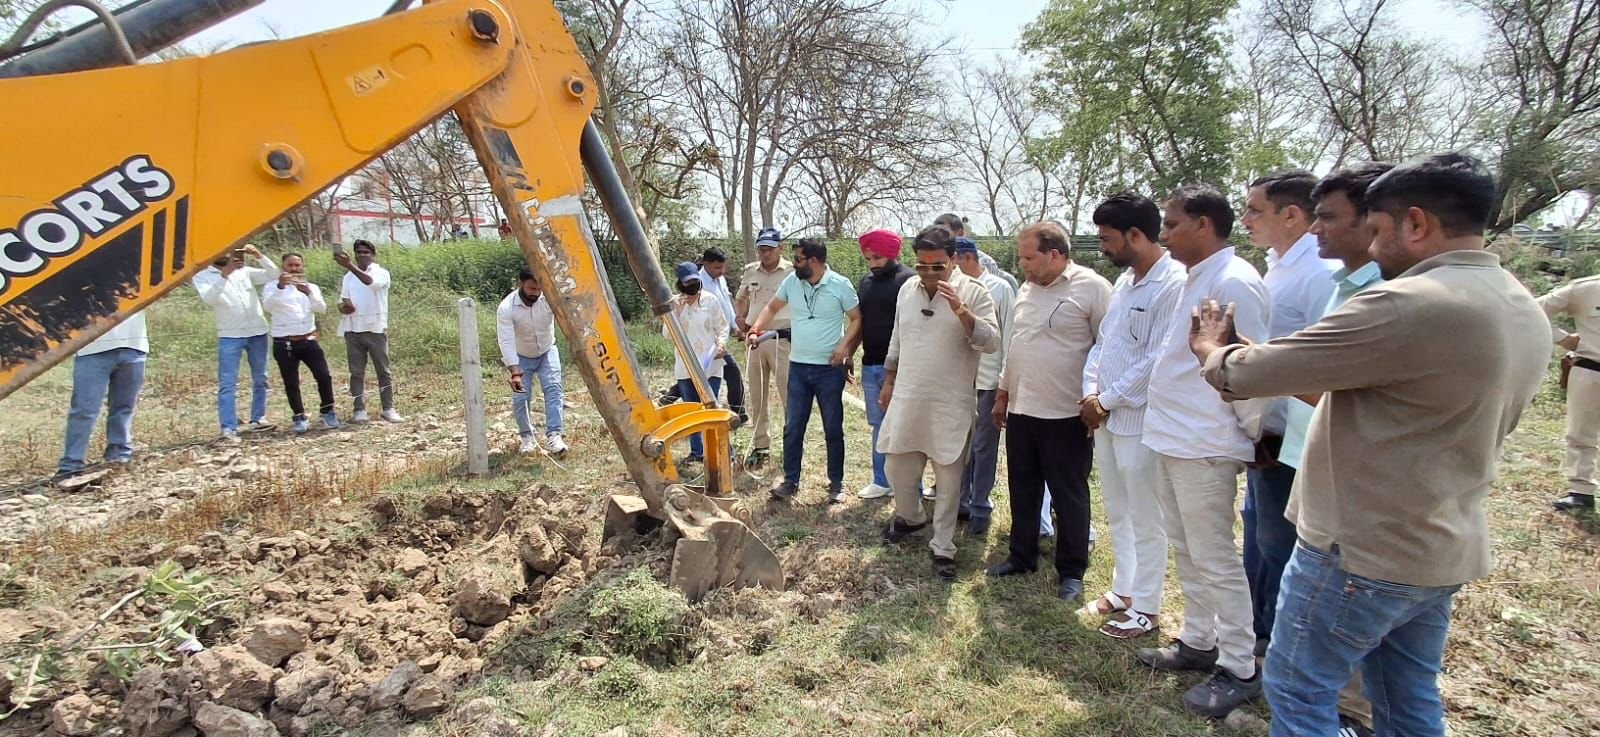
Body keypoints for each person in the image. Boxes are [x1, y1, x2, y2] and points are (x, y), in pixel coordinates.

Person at [1190, 152, 1549, 737]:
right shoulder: (1517, 302)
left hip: (1361, 546)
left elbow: (1247, 376)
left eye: (1377, 230)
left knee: (1299, 688)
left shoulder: (1408, 302)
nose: (1373, 247)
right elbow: (1353, 391)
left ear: (1415, 223)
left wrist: (1213, 350)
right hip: (1438, 543)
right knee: (1404, 698)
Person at [1135, 183, 1270, 718]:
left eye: (1171, 224)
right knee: (1187, 547)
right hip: (1174, 434)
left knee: (1214, 555)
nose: (1164, 234)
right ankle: (1198, 640)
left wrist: (1252, 434)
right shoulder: (1197, 277)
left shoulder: (1237, 280)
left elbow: (1255, 368)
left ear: (1204, 226)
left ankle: (1239, 665)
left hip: (1207, 440)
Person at [1275, 162, 1394, 737]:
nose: (1316, 230)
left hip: (1355, 500)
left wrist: (1234, 358)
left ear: (1378, 220)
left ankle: (1348, 715)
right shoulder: (1343, 285)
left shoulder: (1386, 298)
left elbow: (1324, 383)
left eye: (1329, 217)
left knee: (1315, 657)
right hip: (1305, 453)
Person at [1077, 193, 1186, 640]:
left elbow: (1158, 358)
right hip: (1105, 414)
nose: (1102, 247)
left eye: (1107, 238)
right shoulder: (1124, 282)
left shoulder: (1173, 283)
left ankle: (1148, 607)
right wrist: (1090, 393)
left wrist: (1108, 400)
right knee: (1117, 509)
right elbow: (1104, 345)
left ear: (1136, 235)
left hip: (1139, 418)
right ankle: (1124, 590)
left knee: (1145, 515)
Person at [1238, 168, 1336, 660]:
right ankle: (1254, 629)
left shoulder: (1319, 276)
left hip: (1297, 440)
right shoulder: (1276, 269)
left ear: (1292, 215)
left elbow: (1328, 371)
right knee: (1258, 534)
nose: (1246, 219)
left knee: (1281, 544)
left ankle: (1278, 643)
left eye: (1256, 210)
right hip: (1268, 431)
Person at [986, 221, 1112, 604]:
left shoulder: (1092, 288)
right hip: (1023, 409)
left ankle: (1071, 570)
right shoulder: (1026, 289)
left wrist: (1096, 400)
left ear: (1054, 254)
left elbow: (1108, 349)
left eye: (1028, 257)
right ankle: (1022, 556)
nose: (1021, 264)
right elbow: (1016, 346)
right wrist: (1003, 393)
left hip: (1066, 414)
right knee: (1022, 489)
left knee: (1068, 493)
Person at [878, 226, 1000, 580]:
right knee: (897, 468)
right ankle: (912, 517)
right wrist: (888, 379)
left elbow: (990, 342)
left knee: (948, 481)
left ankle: (943, 546)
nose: (930, 273)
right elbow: (898, 338)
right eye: (922, 266)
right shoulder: (906, 290)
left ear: (953, 260)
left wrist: (961, 311)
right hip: (908, 396)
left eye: (938, 266)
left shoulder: (975, 292)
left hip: (951, 402)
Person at [746, 237, 862, 503]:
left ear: (814, 261)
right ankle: (790, 481)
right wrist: (756, 329)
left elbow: (857, 319)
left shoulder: (840, 285)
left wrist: (845, 348)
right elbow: (771, 307)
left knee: (833, 428)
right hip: (798, 367)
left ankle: (836, 484)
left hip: (829, 370)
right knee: (793, 426)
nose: (794, 264)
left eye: (798, 259)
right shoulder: (792, 282)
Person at [954, 236, 1015, 535]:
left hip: (988, 380)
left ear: (965, 258)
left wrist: (1004, 383)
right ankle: (959, 501)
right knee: (960, 445)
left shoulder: (1000, 289)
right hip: (959, 380)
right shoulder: (954, 289)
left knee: (983, 447)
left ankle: (980, 506)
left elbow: (1009, 336)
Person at [852, 228, 916, 500]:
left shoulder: (910, 281)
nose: (873, 264)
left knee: (905, 425)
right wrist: (848, 353)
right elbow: (859, 322)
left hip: (903, 367)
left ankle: (911, 485)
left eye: (877, 258)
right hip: (871, 365)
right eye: (868, 259)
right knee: (878, 424)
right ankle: (881, 480)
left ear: (892, 253)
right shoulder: (865, 282)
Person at [193, 243, 278, 440]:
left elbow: (273, 274)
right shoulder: (202, 275)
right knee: (228, 383)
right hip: (230, 335)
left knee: (261, 377)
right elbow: (210, 300)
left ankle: (258, 419)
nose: (224, 253)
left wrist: (259, 255)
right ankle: (228, 427)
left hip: (257, 331)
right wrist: (225, 274)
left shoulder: (244, 271)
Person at [56, 312, 149, 479]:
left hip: (134, 346)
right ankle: (71, 465)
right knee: (84, 410)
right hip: (91, 349)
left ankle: (119, 456)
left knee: (124, 407)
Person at [1539, 270, 1600, 512]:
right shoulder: (1585, 289)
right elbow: (1532, 308)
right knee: (1581, 434)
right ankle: (1581, 492)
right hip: (1590, 369)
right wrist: (1563, 338)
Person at [733, 227, 794, 467]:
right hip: (755, 339)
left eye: (770, 249)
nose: (765, 254)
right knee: (757, 396)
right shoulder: (751, 271)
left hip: (782, 339)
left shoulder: (792, 272)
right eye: (761, 249)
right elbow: (741, 298)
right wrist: (740, 319)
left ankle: (792, 446)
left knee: (789, 394)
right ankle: (760, 445)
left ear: (781, 248)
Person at [261, 253, 339, 434]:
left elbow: (321, 309)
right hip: (285, 342)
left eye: (297, 265)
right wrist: (280, 286)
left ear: (303, 266)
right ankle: (299, 416)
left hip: (308, 340)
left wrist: (309, 293)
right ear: (283, 267)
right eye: (290, 265)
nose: (294, 269)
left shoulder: (310, 287)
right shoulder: (272, 287)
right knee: (291, 382)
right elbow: (268, 307)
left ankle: (327, 411)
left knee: (324, 376)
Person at [495, 267, 568, 457]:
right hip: (521, 357)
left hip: (547, 350)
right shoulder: (506, 308)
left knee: (553, 389)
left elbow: (566, 318)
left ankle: (554, 435)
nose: (535, 294)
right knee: (521, 397)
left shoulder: (548, 298)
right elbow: (506, 341)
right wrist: (515, 372)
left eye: (538, 289)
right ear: (520, 285)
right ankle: (528, 438)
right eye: (531, 289)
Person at [665, 261, 730, 463]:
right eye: (688, 282)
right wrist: (675, 311)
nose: (692, 285)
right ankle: (697, 452)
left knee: (711, 407)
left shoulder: (710, 301)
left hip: (710, 363)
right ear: (681, 284)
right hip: (686, 365)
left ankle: (721, 451)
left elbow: (723, 326)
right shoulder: (674, 304)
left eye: (695, 281)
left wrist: (721, 344)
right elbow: (668, 334)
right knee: (691, 409)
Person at [336, 239, 402, 423]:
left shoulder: (381, 273)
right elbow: (343, 301)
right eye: (359, 252)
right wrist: (344, 308)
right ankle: (359, 410)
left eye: (366, 252)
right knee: (356, 372)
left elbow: (370, 283)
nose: (362, 255)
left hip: (375, 329)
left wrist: (349, 265)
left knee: (383, 371)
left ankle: (388, 408)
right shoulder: (348, 277)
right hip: (353, 329)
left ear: (373, 255)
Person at [697, 248, 745, 424]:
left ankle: (739, 411)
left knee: (702, 372)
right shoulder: (698, 283)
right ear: (707, 264)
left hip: (722, 336)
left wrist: (734, 326)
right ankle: (740, 412)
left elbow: (726, 304)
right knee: (724, 371)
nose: (721, 271)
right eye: (717, 268)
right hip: (708, 339)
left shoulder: (720, 280)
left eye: (722, 267)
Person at [935, 212, 1020, 292]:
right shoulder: (933, 261)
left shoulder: (986, 262)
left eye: (944, 235)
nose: (940, 240)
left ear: (960, 233)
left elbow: (996, 292)